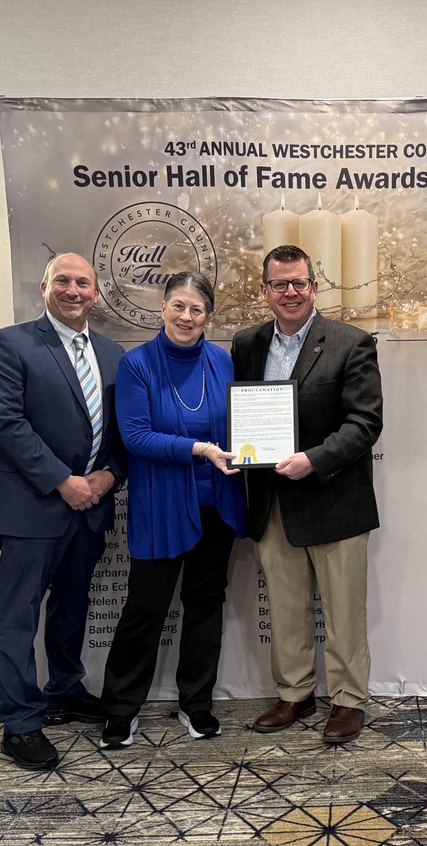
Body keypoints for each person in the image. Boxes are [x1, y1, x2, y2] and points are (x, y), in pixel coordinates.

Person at [0, 252, 127, 769]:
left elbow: (124, 429)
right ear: (44, 287)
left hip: (90, 507)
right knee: (16, 616)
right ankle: (19, 722)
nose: (73, 290)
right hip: (33, 507)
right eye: (62, 280)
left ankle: (65, 687)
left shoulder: (112, 353)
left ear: (96, 293)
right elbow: (3, 422)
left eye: (82, 282)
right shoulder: (11, 343)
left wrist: (109, 475)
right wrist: (62, 481)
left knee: (72, 607)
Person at [231, 245, 383, 744]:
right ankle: (295, 694)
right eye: (280, 284)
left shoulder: (351, 342)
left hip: (334, 498)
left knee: (343, 610)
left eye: (299, 283)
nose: (290, 292)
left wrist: (313, 460)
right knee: (285, 605)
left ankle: (347, 700)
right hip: (272, 500)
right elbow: (244, 413)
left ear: (314, 287)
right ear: (265, 291)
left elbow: (364, 424)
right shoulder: (247, 343)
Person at [97, 273, 246, 749]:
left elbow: (241, 425)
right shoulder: (138, 364)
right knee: (145, 609)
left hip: (216, 507)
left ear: (208, 316)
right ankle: (121, 708)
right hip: (162, 506)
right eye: (178, 306)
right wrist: (200, 448)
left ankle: (195, 703)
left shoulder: (222, 362)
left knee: (206, 606)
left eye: (197, 310)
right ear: (162, 309)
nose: (187, 317)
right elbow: (135, 437)